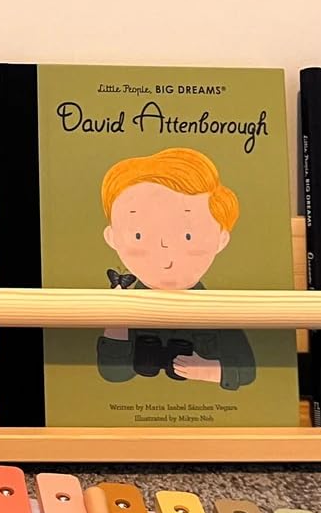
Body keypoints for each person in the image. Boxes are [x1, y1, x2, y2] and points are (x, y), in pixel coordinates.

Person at [94, 147, 256, 390]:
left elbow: (248, 369)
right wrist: (118, 317)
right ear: (112, 238)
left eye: (188, 236)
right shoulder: (127, 307)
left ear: (221, 238)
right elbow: (113, 374)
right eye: (139, 235)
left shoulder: (218, 311)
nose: (165, 255)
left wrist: (210, 371)